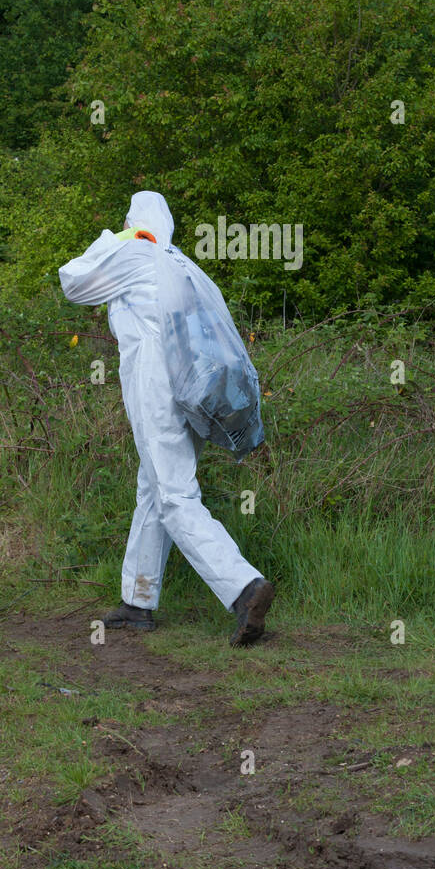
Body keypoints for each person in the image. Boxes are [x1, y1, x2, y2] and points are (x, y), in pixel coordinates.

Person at [58, 190, 274, 647]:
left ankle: (243, 588)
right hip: (195, 392)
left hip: (158, 389)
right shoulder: (183, 264)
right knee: (153, 487)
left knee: (174, 494)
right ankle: (139, 600)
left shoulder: (133, 251)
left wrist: (108, 239)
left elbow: (72, 281)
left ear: (133, 220)